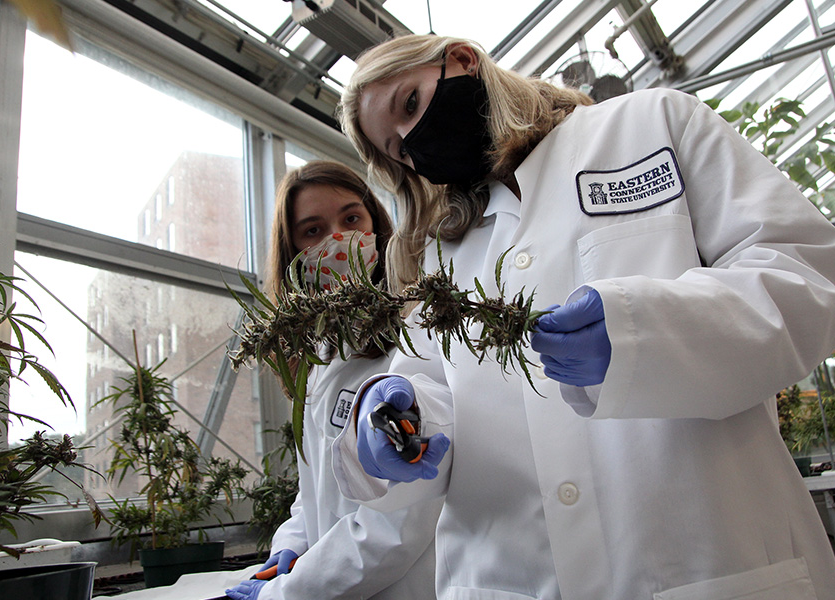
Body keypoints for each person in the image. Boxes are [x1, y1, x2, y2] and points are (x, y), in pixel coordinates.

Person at [330, 34, 835, 600]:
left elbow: (804, 271)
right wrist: (403, 420)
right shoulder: (444, 249)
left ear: (463, 61)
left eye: (411, 105)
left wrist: (647, 332)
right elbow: (433, 391)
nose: (416, 140)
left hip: (705, 561)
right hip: (512, 575)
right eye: (400, 149)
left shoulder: (652, 126)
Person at [226, 160, 441, 600]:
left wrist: (292, 593)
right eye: (313, 230)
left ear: (377, 225)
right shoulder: (318, 356)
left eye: (350, 219)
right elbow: (314, 487)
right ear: (293, 256)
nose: (338, 240)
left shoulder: (412, 335)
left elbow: (401, 519)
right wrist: (291, 545)